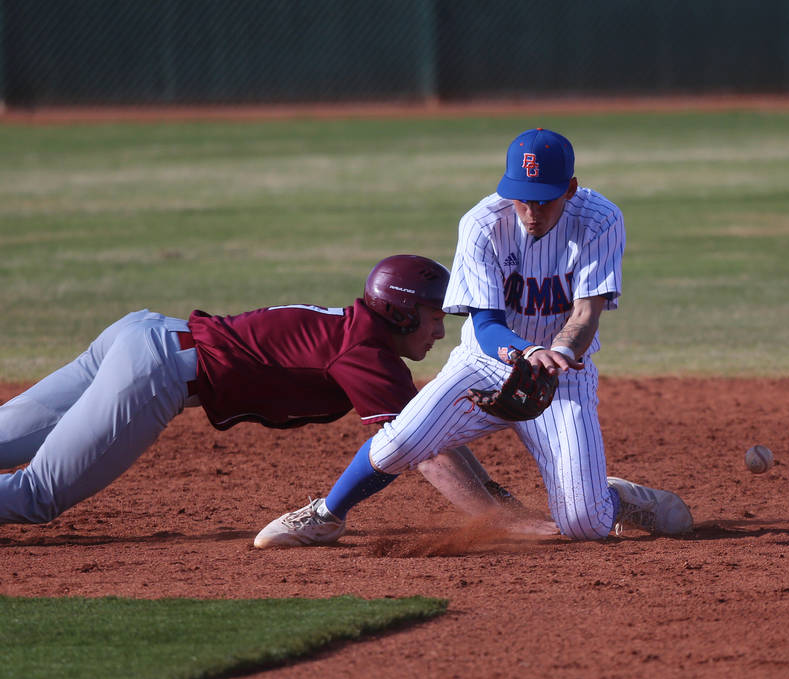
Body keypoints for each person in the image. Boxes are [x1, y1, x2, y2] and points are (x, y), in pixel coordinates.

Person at [254, 128, 692, 547]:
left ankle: (609, 496)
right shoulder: (483, 224)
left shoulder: (599, 220)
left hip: (562, 376)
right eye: (522, 199)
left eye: (543, 200)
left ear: (570, 189)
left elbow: (585, 314)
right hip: (485, 364)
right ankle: (325, 516)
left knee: (584, 524)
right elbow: (485, 327)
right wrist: (527, 351)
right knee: (402, 441)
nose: (531, 212)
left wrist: (556, 353)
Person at [0, 255, 531, 530]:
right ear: (398, 312)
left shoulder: (359, 333)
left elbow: (425, 424)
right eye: (433, 319)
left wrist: (492, 495)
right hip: (154, 372)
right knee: (38, 497)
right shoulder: (364, 353)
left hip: (140, 335)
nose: (440, 332)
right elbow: (427, 451)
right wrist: (494, 522)